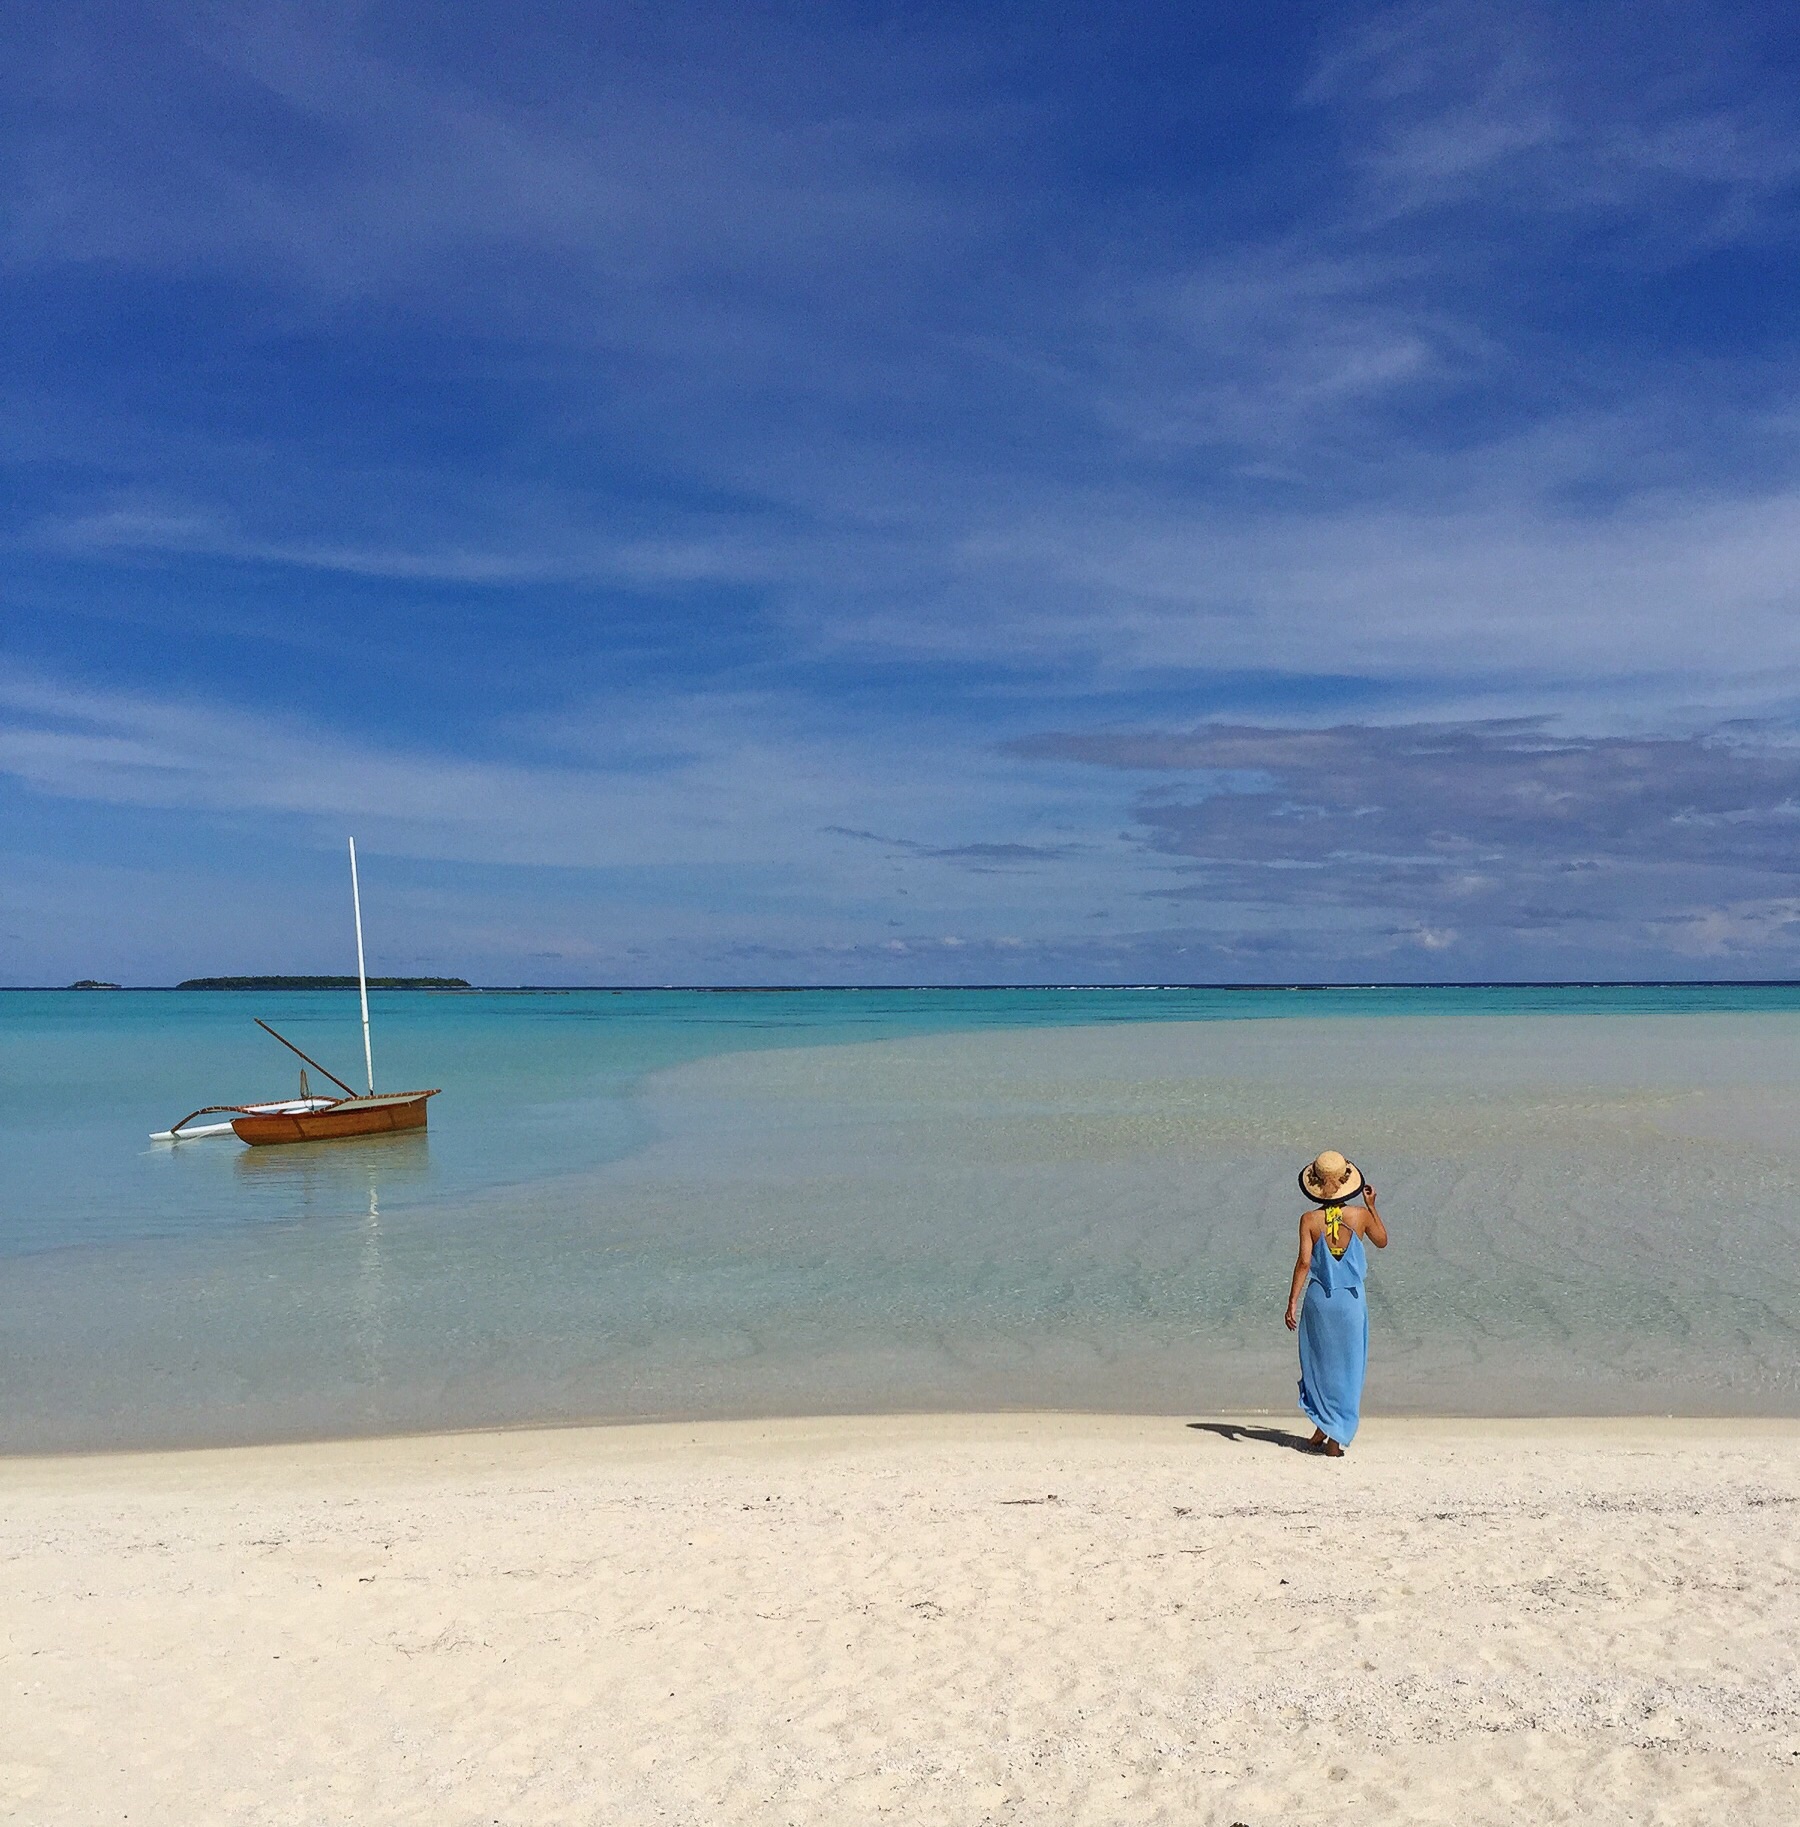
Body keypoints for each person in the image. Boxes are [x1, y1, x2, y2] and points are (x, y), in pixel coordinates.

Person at [1284, 1150, 1387, 1456]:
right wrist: (1372, 1207)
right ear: (1346, 1181)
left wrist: (1291, 1301)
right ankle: (1331, 1437)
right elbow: (1382, 1240)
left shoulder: (1309, 1220)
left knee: (1319, 1365)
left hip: (1320, 1302)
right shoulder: (1359, 1216)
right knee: (1349, 1369)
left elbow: (1304, 1263)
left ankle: (1324, 1428)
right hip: (1351, 1303)